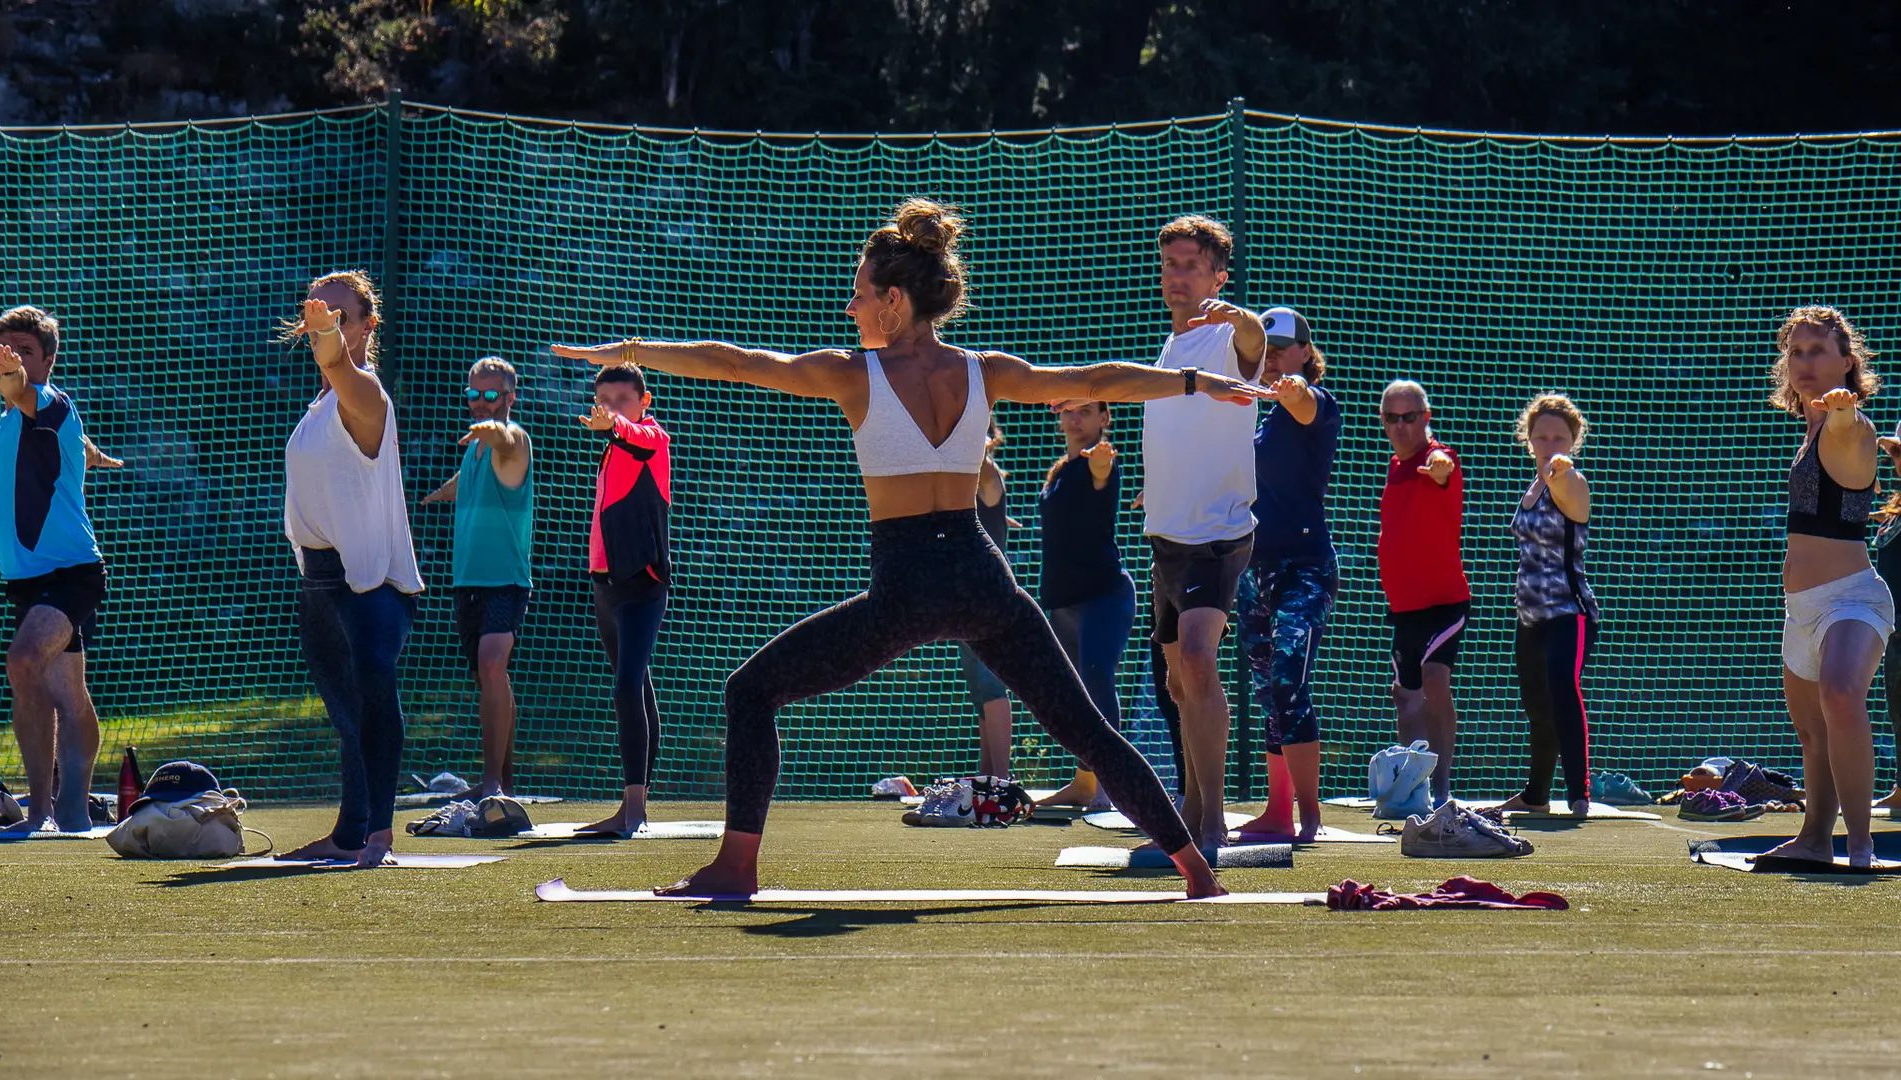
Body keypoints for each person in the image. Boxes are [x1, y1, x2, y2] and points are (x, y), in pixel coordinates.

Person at [552, 198, 1264, 897]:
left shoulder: (852, 373)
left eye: (858, 295)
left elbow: (735, 363)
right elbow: (1096, 380)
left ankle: (736, 865)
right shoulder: (983, 369)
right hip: (983, 579)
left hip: (906, 586)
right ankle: (1198, 874)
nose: (849, 308)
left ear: (894, 300)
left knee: (749, 693)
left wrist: (627, 352)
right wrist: (1198, 382)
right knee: (1086, 729)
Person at [277, 271, 424, 867]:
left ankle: (379, 836)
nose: (328, 320)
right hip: (319, 585)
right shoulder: (319, 408)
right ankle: (349, 833)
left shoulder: (366, 395)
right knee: (347, 719)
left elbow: (339, 367)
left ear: (368, 325)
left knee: (371, 699)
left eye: (342, 314)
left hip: (367, 586)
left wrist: (329, 339)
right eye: (319, 310)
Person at [1137, 215, 1265, 850]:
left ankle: (1213, 820)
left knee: (1196, 657)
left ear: (1218, 276)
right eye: (1171, 265)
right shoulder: (1170, 346)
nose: (1177, 276)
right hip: (1164, 537)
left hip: (1216, 535)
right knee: (1176, 682)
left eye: (1191, 265)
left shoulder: (1225, 337)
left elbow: (1253, 335)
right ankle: (1190, 809)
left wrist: (1235, 315)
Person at [1761, 306, 1891, 868]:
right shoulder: (1808, 427)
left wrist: (1842, 415)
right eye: (1797, 351)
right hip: (1801, 608)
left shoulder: (1849, 426)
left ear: (1846, 362)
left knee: (1841, 696)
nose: (1805, 361)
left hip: (1855, 599)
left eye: (1818, 351)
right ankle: (1815, 838)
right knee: (1812, 735)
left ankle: (1860, 845)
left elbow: (1852, 436)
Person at [0, 306, 120, 834]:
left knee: (22, 662)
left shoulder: (45, 399)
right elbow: (57, 440)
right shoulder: (15, 420)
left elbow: (23, 391)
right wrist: (91, 454)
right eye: (5, 349)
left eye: (25, 351)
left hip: (71, 572)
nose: (14, 358)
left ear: (46, 360)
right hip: (26, 580)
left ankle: (40, 810)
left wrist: (10, 374)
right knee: (65, 689)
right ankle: (72, 806)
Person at [1227, 307, 1340, 845]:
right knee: (1272, 692)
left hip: (1305, 568)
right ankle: (1278, 812)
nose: (1271, 359)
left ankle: (1310, 815)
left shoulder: (1315, 405)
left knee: (1289, 680)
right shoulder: (1256, 414)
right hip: (1252, 569)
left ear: (1304, 351)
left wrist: (1291, 387)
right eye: (1263, 350)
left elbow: (1302, 399)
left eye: (1281, 349)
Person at [422, 356, 534, 800]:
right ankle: (503, 782)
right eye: (474, 395)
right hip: (466, 582)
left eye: (491, 395)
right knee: (489, 677)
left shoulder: (514, 440)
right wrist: (443, 492)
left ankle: (490, 783)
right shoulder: (473, 449)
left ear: (510, 397)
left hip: (505, 579)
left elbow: (506, 440)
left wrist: (496, 430)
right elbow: (468, 477)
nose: (480, 403)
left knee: (492, 662)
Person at [576, 362, 673, 835]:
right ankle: (639, 800)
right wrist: (615, 428)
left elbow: (642, 438)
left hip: (642, 583)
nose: (612, 408)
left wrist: (617, 423)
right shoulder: (616, 446)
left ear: (644, 401)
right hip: (605, 583)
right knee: (634, 685)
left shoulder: (651, 439)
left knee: (626, 686)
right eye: (605, 401)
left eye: (623, 400)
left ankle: (632, 808)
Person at [1496, 393, 1599, 817]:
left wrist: (1563, 469)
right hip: (1530, 617)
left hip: (1568, 614)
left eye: (1560, 437)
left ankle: (1579, 793)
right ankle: (1537, 796)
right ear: (1529, 440)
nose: (1551, 444)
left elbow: (1569, 482)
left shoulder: (1570, 481)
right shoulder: (1533, 487)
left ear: (1573, 441)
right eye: (1542, 437)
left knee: (1563, 691)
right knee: (1537, 706)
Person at [1033, 401, 1134, 811]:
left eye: (1087, 411)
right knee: (1075, 698)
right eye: (1069, 411)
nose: (1076, 419)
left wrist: (1103, 460)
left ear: (1104, 419)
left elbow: (1101, 471)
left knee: (1096, 678)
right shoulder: (1059, 471)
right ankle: (1084, 783)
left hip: (1104, 596)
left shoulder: (1098, 462)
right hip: (1063, 606)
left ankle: (1113, 789)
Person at [1374, 379, 1469, 806]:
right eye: (1391, 418)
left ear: (1425, 419)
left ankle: (1444, 783)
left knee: (1435, 680)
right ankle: (1413, 789)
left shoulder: (1439, 458)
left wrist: (1438, 467)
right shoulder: (1395, 468)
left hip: (1446, 603)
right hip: (1405, 610)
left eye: (1408, 417)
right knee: (1404, 696)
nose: (1399, 425)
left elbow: (1441, 462)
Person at [959, 420, 1016, 778]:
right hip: (964, 601)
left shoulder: (987, 476)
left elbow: (979, 461)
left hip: (990, 599)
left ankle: (1002, 780)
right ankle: (987, 775)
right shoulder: (959, 483)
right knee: (979, 688)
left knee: (992, 684)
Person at [1874, 430, 1901, 809]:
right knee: (1898, 708)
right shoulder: (1893, 509)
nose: (1897, 459)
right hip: (1895, 630)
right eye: (1896, 452)